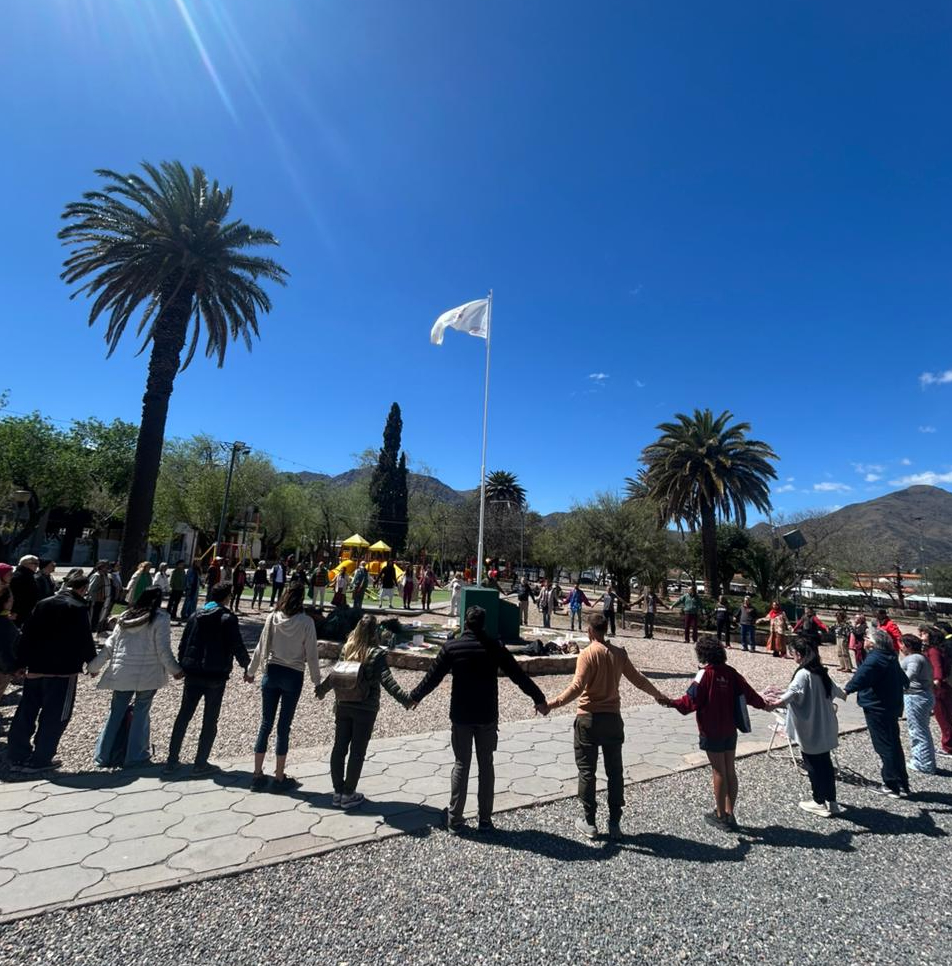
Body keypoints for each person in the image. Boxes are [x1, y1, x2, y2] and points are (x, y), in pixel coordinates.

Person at [410, 605, 547, 833]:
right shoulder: (495, 648)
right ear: (483, 624)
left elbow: (432, 677)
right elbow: (518, 675)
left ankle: (455, 818)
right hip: (486, 715)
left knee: (461, 764)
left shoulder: (453, 647)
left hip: (462, 715)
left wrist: (415, 697)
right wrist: (539, 699)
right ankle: (485, 819)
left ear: (465, 622)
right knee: (486, 765)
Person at [547, 612, 668, 840]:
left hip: (589, 718)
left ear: (590, 631)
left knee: (587, 771)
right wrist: (659, 695)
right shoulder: (619, 654)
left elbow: (577, 686)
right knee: (615, 772)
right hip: (613, 719)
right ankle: (614, 822)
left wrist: (552, 704)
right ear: (605, 629)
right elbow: (639, 679)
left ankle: (590, 821)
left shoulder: (587, 654)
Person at [663, 635, 767, 831]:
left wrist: (670, 702)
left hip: (711, 729)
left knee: (718, 770)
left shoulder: (705, 674)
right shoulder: (731, 673)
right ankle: (730, 812)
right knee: (730, 769)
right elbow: (750, 694)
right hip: (730, 728)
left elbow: (690, 701)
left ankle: (720, 815)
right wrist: (765, 705)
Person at [316, 614, 414, 808]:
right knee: (357, 751)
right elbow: (387, 681)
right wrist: (405, 699)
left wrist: (321, 690)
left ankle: (337, 791)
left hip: (343, 703)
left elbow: (336, 674)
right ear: (374, 632)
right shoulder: (376, 654)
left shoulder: (347, 649)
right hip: (365, 707)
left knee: (339, 747)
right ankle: (348, 793)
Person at [7, 571, 96, 773]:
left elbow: (27, 633)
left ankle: (16, 754)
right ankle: (41, 758)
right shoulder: (79, 608)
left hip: (36, 668)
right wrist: (92, 663)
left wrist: (21, 662)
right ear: (82, 590)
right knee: (55, 716)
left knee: (26, 711)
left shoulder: (43, 603)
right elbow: (84, 638)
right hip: (63, 671)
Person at [87, 587, 182, 768]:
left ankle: (103, 755)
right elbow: (163, 650)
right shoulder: (160, 619)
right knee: (141, 713)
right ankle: (136, 755)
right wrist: (175, 670)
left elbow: (109, 646)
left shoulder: (125, 617)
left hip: (122, 671)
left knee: (115, 713)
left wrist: (94, 666)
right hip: (148, 673)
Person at [165, 582, 250, 776]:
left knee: (184, 716)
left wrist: (182, 664)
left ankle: (172, 760)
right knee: (210, 719)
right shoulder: (228, 618)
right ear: (226, 597)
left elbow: (184, 643)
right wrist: (247, 666)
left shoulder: (196, 615)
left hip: (193, 671)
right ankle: (200, 762)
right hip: (215, 672)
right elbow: (237, 644)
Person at [245, 584, 321, 792]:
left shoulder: (273, 618)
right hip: (293, 674)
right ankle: (279, 776)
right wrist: (317, 681)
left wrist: (251, 672)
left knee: (265, 723)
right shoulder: (306, 622)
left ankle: (257, 774)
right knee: (283, 727)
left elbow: (261, 647)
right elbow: (312, 654)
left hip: (272, 671)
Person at [769, 638, 846, 817]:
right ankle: (831, 801)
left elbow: (793, 693)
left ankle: (819, 800)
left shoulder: (803, 673)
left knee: (812, 764)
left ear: (798, 654)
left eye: (792, 653)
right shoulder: (820, 672)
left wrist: (772, 702)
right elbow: (839, 693)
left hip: (810, 727)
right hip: (825, 724)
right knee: (825, 764)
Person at [843, 629, 910, 798]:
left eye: (866, 638)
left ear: (873, 643)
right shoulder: (891, 657)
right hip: (891, 706)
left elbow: (859, 678)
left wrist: (845, 691)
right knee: (894, 744)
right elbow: (905, 680)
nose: (864, 640)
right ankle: (902, 782)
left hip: (877, 707)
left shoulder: (874, 658)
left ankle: (891, 784)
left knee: (883, 746)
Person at [900, 633, 936, 775]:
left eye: (902, 644)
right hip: (923, 695)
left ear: (908, 646)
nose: (900, 647)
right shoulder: (922, 658)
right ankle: (923, 760)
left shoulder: (914, 658)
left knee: (918, 731)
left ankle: (924, 764)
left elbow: (910, 675)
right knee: (922, 730)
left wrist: (899, 682)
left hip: (916, 697)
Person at [921, 624, 952, 758]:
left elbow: (937, 669)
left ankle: (948, 747)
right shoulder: (940, 648)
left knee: (943, 717)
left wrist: (935, 683)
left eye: (923, 633)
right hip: (945, 687)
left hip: (939, 688)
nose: (921, 635)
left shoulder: (933, 650)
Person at [0, 585, 21, 705]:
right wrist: (13, 669)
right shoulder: (4, 624)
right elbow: (4, 650)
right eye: (11, 598)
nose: (13, 600)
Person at [10, 555, 40, 627]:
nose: (37, 566)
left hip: (25, 612)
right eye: (35, 564)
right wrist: (15, 611)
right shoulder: (19, 576)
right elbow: (15, 595)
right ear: (26, 564)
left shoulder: (28, 575)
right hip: (18, 614)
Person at [87, 560, 111, 634]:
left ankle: (94, 630)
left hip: (101, 600)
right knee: (92, 617)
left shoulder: (104, 576)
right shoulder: (96, 576)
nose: (107, 568)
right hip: (94, 600)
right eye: (106, 567)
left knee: (97, 616)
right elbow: (90, 589)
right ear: (101, 567)